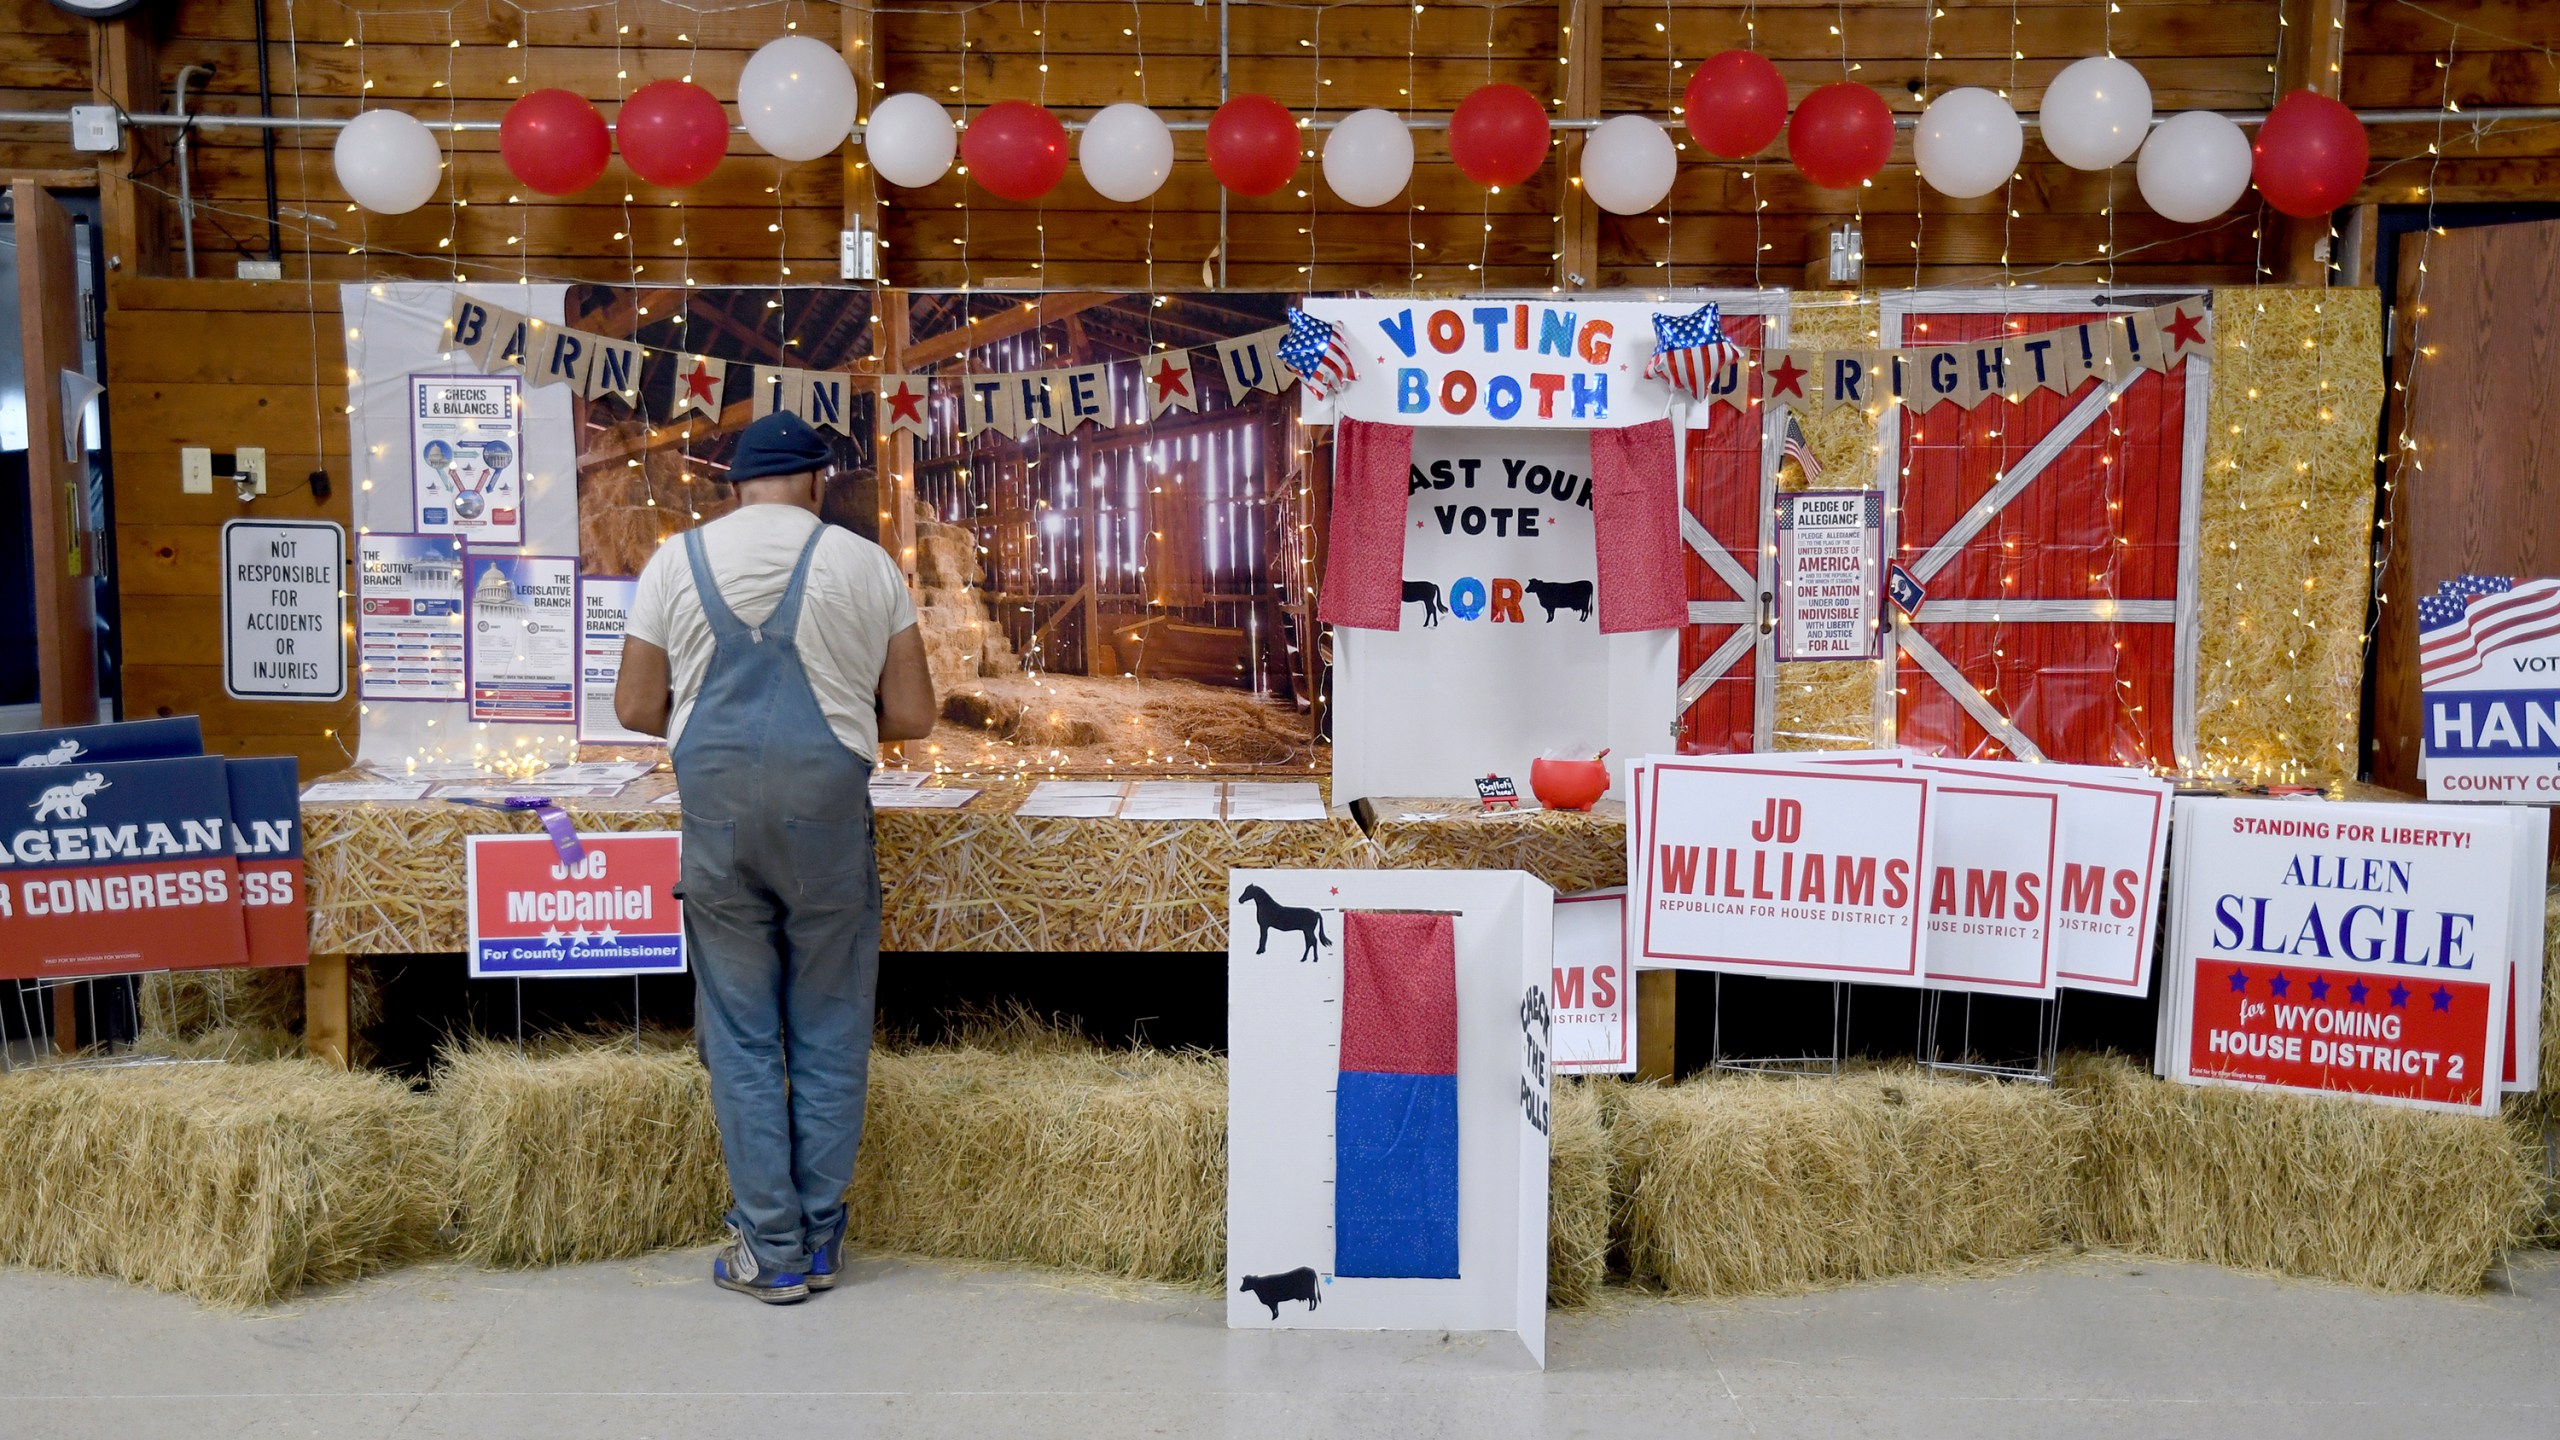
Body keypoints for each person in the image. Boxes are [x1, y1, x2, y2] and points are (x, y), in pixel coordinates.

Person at [615, 410, 937, 1304]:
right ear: (817, 482)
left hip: (719, 826)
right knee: (830, 1028)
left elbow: (637, 708)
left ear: (732, 485)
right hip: (827, 820)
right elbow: (912, 717)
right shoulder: (866, 564)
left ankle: (771, 1249)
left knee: (743, 1034)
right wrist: (834, 721)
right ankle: (823, 1237)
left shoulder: (674, 562)